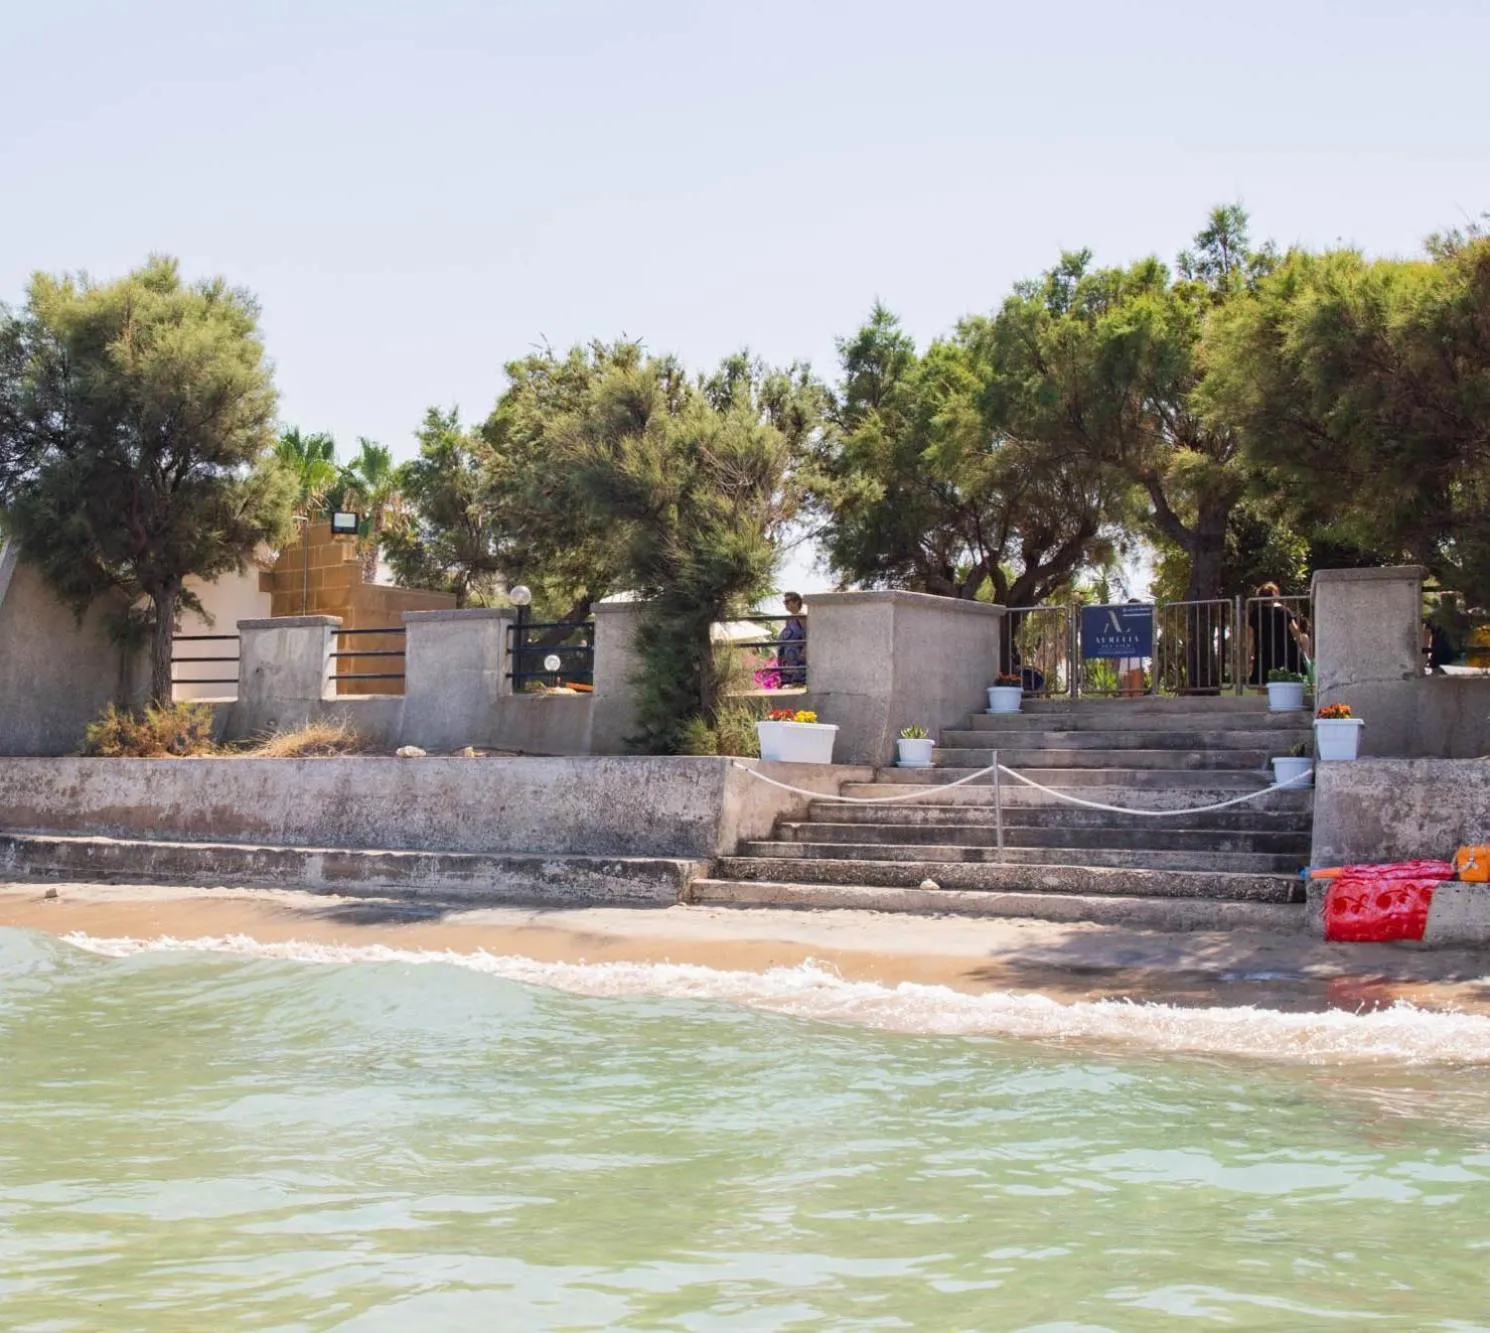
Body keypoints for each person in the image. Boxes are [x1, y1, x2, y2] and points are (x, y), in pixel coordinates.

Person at [1246, 582, 1303, 686]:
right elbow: (1295, 630)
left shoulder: (1255, 614)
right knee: (1285, 683)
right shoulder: (1284, 611)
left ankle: (1261, 702)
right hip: (1285, 652)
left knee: (1261, 684)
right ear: (1275, 594)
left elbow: (1251, 636)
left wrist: (1249, 655)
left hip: (1264, 653)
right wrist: (1301, 645)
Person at [777, 592, 807, 686]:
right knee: (788, 682)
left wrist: (805, 650)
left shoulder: (802, 617)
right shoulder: (788, 619)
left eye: (787, 601)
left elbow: (807, 634)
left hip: (797, 654)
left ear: (796, 602)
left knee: (798, 682)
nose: (785, 604)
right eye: (784, 602)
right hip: (787, 656)